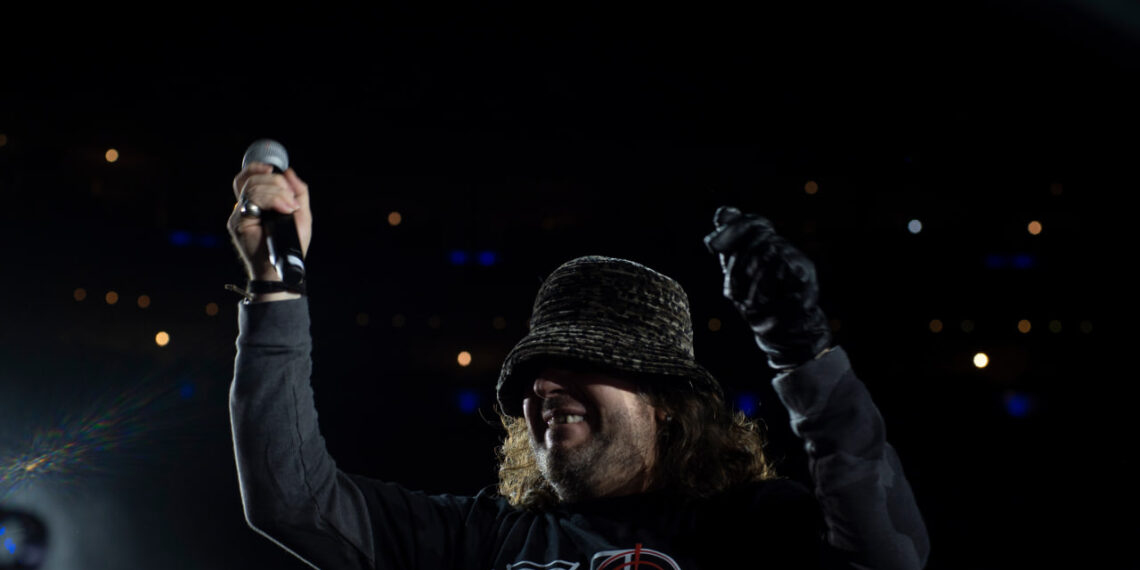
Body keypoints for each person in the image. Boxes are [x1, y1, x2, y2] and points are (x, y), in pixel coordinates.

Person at [227, 162, 930, 570]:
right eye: (536, 369)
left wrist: (802, 353)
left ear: (663, 400)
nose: (541, 387)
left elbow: (889, 558)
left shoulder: (749, 528)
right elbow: (292, 500)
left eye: (583, 362)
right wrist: (275, 287)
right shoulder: (483, 537)